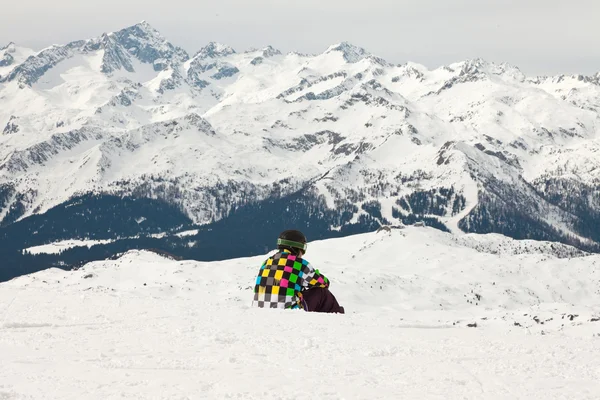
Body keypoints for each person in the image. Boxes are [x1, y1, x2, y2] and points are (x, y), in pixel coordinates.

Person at [252, 229, 344, 313]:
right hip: (287, 312)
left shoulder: (266, 262)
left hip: (260, 311)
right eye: (302, 250)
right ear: (297, 248)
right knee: (322, 293)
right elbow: (324, 283)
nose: (302, 254)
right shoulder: (299, 264)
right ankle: (338, 319)